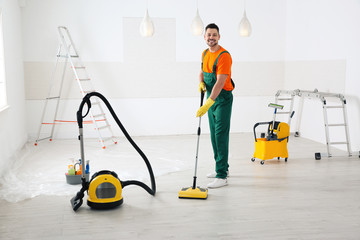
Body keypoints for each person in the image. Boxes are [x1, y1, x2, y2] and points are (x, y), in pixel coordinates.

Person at [196, 23, 234, 189]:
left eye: (214, 35)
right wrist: (200, 83)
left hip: (222, 99)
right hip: (211, 99)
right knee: (213, 136)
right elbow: (202, 71)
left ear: (219, 37)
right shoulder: (205, 53)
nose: (211, 37)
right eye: (208, 34)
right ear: (204, 37)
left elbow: (220, 81)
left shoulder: (224, 56)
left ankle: (222, 176)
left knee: (220, 135)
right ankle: (221, 168)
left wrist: (210, 101)